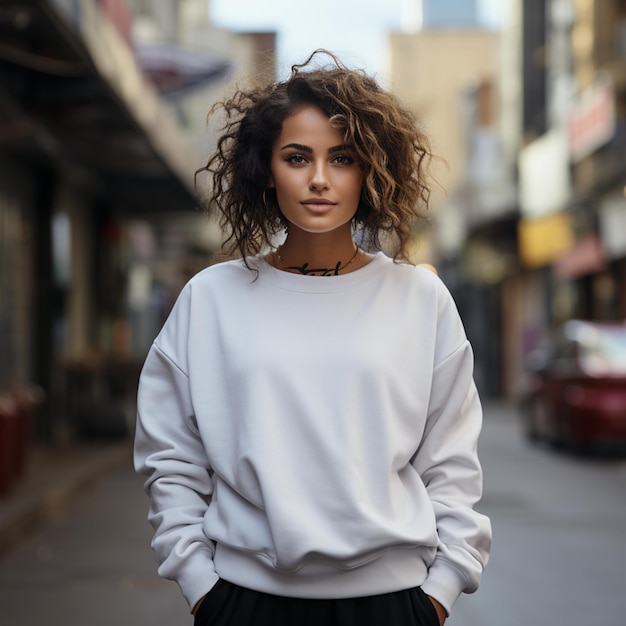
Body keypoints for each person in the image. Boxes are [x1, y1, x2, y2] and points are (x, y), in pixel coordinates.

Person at [134, 49, 491, 626]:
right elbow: (170, 455)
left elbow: (451, 463)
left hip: (393, 605)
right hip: (242, 601)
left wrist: (440, 593)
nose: (320, 179)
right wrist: (201, 585)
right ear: (264, 168)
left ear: (372, 169)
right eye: (297, 157)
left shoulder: (419, 300)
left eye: (343, 158)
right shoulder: (211, 298)